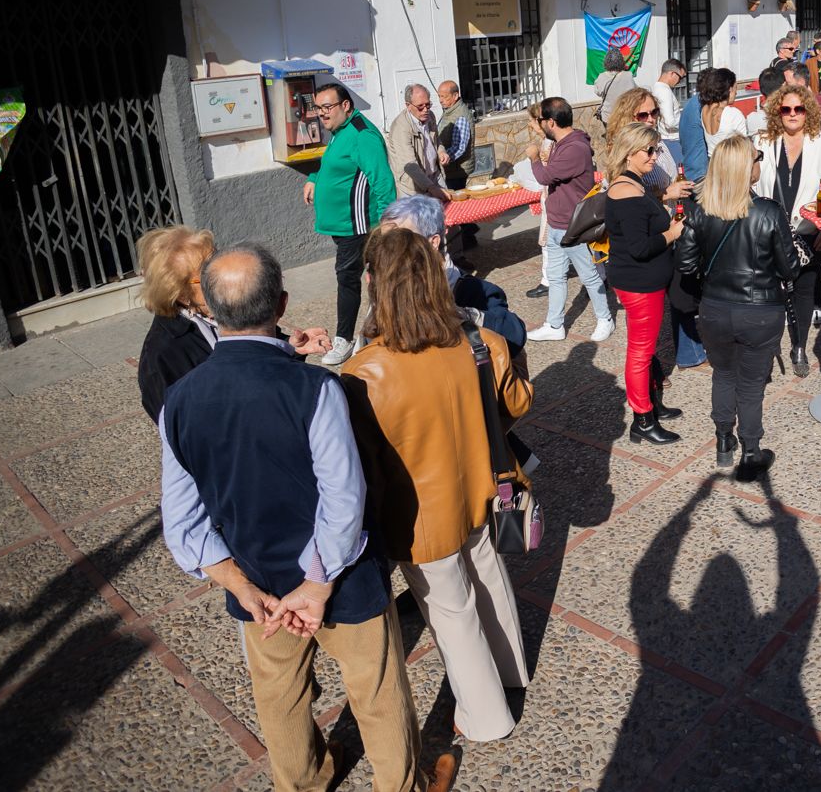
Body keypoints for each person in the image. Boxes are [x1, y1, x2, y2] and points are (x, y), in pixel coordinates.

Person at [158, 244, 436, 792]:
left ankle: (303, 782)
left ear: (209, 311)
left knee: (279, 698)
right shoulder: (316, 389)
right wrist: (316, 584)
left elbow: (183, 523)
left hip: (256, 580)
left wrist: (240, 586)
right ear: (281, 303)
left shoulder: (179, 400)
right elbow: (343, 499)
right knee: (376, 693)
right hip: (341, 580)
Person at [339, 227, 531, 756]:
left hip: (419, 516)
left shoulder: (363, 374)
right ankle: (513, 670)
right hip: (481, 488)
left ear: (377, 285)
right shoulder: (477, 342)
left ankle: (487, 714)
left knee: (452, 611)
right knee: (488, 576)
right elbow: (517, 404)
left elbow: (361, 466)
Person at [677, 135, 798, 478]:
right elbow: (790, 268)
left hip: (715, 308)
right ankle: (751, 450)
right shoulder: (768, 211)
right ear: (746, 168)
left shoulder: (701, 210)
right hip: (760, 309)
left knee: (724, 374)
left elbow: (685, 264)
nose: (760, 162)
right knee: (751, 383)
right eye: (757, 157)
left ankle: (722, 441)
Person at [137, 226, 329, 422]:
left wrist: (290, 347)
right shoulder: (161, 355)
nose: (219, 276)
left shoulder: (223, 307)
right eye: (206, 276)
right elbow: (179, 429)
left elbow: (257, 353)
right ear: (178, 292)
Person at [752, 83, 821, 377]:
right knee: (768, 296)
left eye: (798, 109)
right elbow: (750, 184)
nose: (792, 114)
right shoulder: (763, 142)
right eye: (786, 109)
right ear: (778, 111)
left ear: (808, 112)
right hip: (769, 231)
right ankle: (766, 351)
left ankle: (800, 346)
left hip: (810, 231)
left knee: (805, 292)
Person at [605, 123, 687, 445]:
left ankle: (653, 404)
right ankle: (642, 419)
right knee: (640, 352)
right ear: (630, 153)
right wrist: (672, 234)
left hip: (645, 282)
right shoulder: (626, 192)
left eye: (656, 149)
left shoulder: (633, 183)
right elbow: (640, 248)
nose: (655, 156)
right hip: (639, 285)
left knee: (647, 348)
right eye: (649, 151)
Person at [304, 82, 396, 366]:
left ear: (346, 105)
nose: (322, 113)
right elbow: (334, 164)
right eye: (318, 108)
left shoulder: (361, 134)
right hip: (344, 226)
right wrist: (314, 179)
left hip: (357, 227)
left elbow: (382, 180)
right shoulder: (340, 130)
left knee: (348, 279)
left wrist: (387, 223)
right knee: (371, 278)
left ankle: (344, 339)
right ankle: (383, 328)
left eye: (327, 107)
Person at [379, 195, 527, 350]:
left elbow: (515, 337)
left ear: (433, 242)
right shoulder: (385, 287)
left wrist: (461, 314)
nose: (388, 251)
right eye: (385, 242)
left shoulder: (475, 292)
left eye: (401, 241)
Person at [526, 97, 615, 343]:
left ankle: (605, 318)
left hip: (573, 225)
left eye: (541, 120)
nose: (539, 124)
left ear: (551, 122)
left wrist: (533, 157)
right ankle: (554, 325)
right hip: (557, 223)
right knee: (555, 276)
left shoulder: (575, 148)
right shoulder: (561, 142)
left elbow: (545, 176)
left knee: (589, 275)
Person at [388, 84, 449, 200]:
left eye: (428, 105)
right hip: (412, 186)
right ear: (408, 106)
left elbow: (436, 140)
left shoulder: (430, 116)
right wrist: (431, 188)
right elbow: (410, 165)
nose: (425, 110)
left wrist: (441, 152)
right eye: (420, 106)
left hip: (434, 176)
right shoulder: (400, 128)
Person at [522, 102, 555, 300]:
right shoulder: (547, 142)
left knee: (551, 241)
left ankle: (548, 280)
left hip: (554, 199)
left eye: (532, 122)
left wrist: (535, 159)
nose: (530, 126)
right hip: (549, 197)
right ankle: (548, 279)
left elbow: (547, 175)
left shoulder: (551, 143)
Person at [696, 67, 747, 159]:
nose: (736, 93)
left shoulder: (705, 109)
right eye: (736, 88)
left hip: (713, 162)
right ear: (730, 89)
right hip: (730, 163)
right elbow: (744, 147)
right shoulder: (733, 114)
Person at [435, 80, 476, 192]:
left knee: (456, 204)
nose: (440, 100)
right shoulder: (450, 111)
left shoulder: (461, 115)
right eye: (439, 96)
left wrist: (442, 159)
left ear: (455, 95)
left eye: (444, 97)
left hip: (457, 172)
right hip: (450, 170)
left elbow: (459, 147)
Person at [593, 48, 637, 127]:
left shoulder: (602, 77)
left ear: (606, 61)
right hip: (625, 116)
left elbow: (598, 92)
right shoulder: (628, 75)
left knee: (611, 137)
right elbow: (635, 92)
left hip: (608, 116)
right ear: (621, 61)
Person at [654, 58, 687, 159]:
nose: (680, 81)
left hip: (667, 139)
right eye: (680, 78)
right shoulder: (664, 91)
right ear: (672, 73)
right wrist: (686, 120)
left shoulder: (657, 87)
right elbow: (670, 122)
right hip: (672, 140)